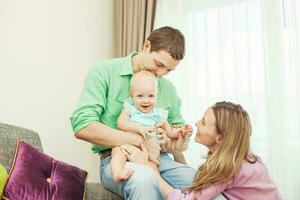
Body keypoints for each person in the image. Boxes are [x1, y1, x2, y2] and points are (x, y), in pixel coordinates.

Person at [70, 26, 196, 200]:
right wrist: (141, 141)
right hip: (119, 157)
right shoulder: (104, 71)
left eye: (168, 70)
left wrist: (177, 144)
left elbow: (176, 135)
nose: (160, 74)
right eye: (159, 64)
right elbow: (83, 126)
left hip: (161, 158)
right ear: (146, 46)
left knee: (201, 181)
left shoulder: (168, 89)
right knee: (143, 180)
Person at [121, 101, 283, 200]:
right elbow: (199, 186)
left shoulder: (228, 168)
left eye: (204, 122)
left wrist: (151, 170)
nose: (197, 123)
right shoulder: (244, 158)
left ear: (219, 137)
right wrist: (176, 150)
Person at [111, 70, 192, 183]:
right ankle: (117, 173)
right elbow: (121, 123)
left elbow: (170, 132)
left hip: (151, 154)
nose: (146, 100)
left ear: (156, 95)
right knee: (117, 151)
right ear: (132, 96)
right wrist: (138, 129)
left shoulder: (159, 114)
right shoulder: (130, 109)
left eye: (151, 96)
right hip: (131, 147)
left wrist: (181, 132)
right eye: (140, 96)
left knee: (152, 170)